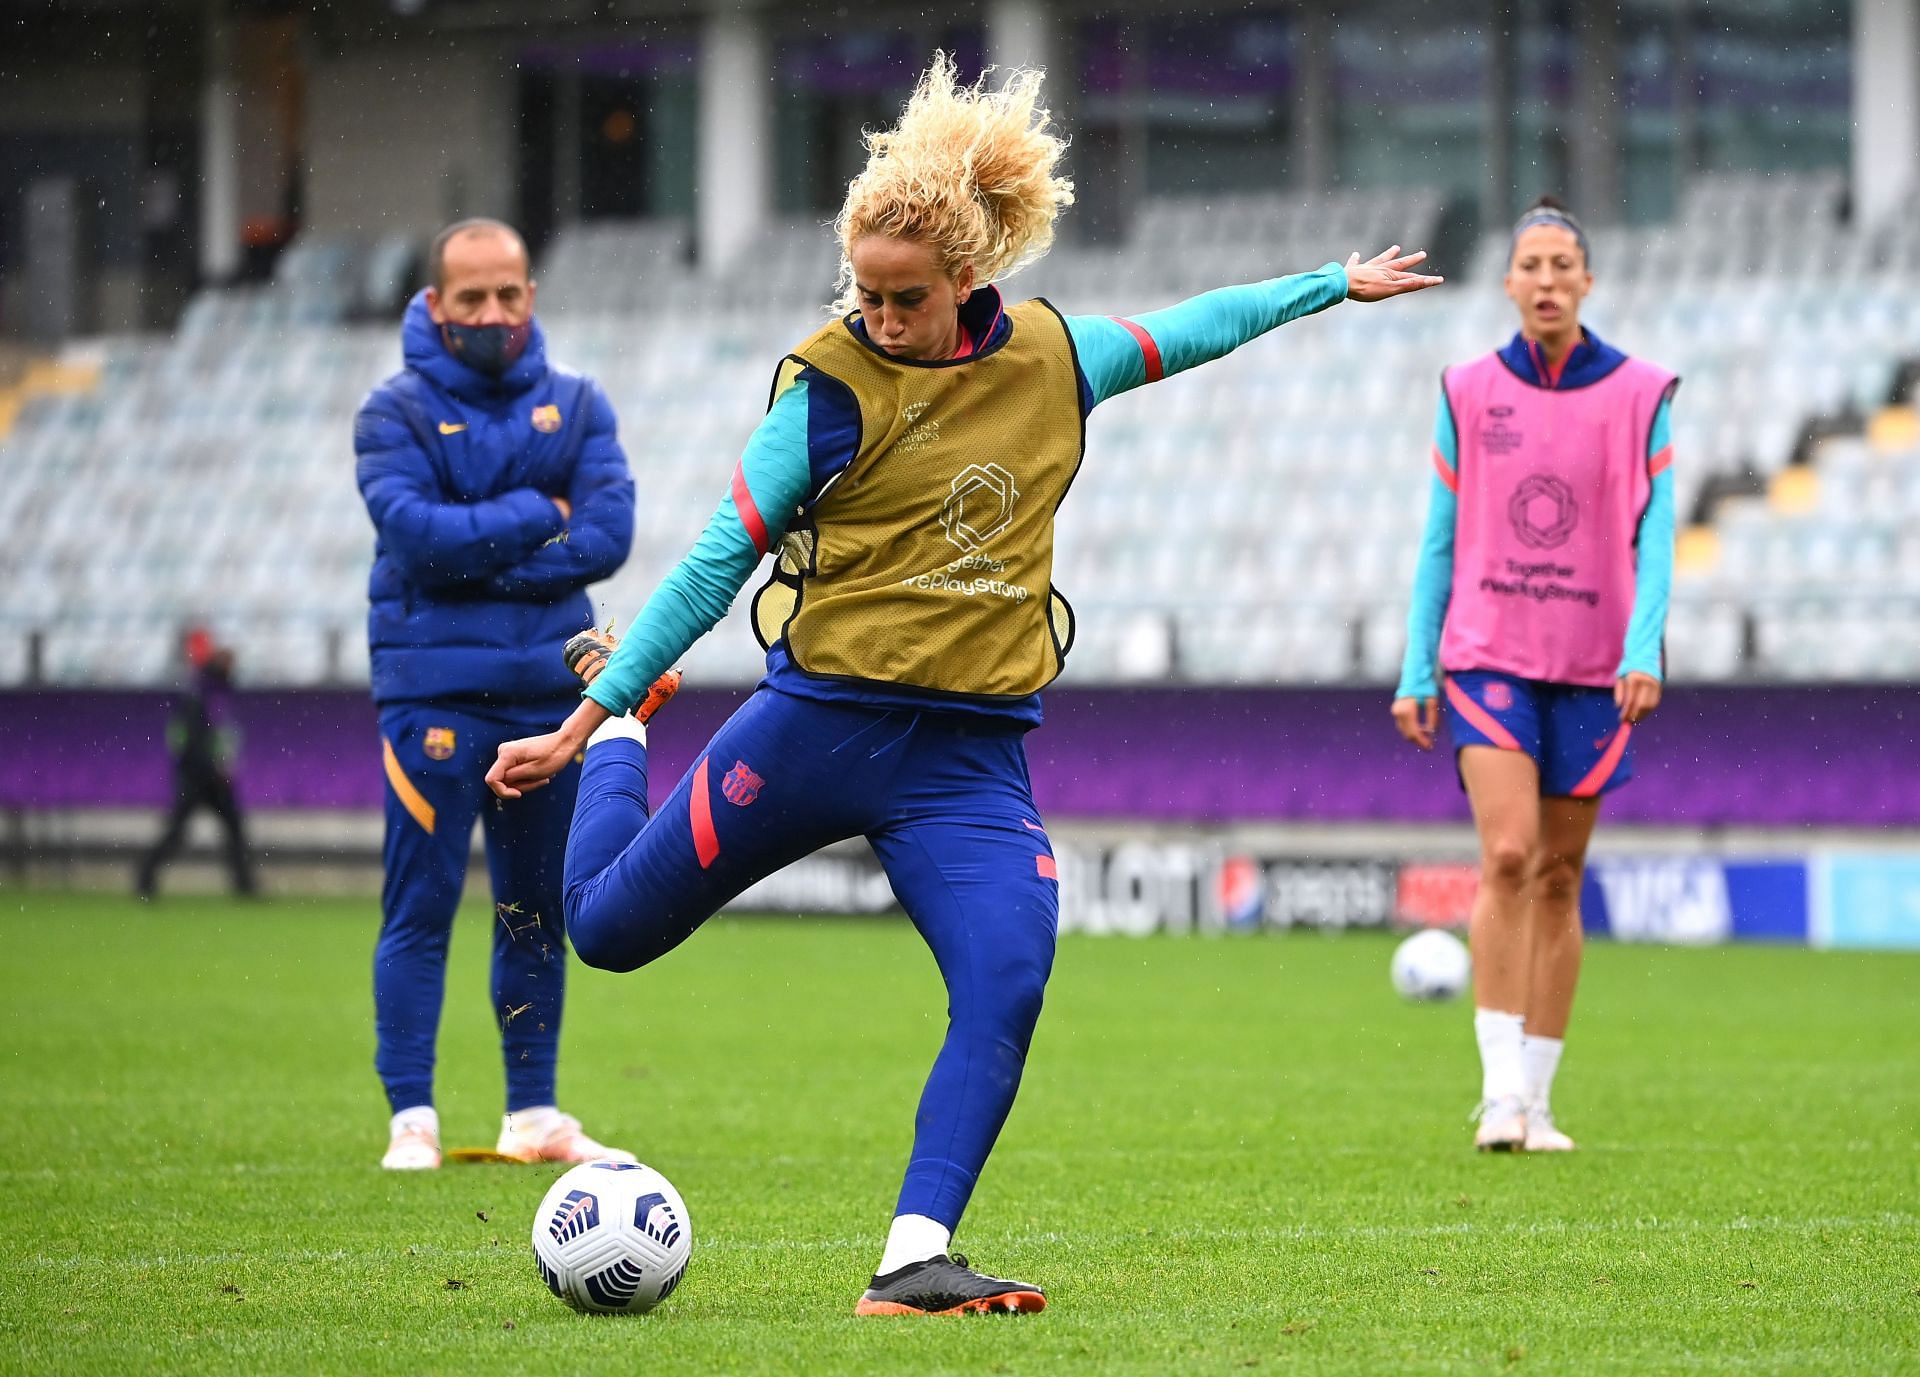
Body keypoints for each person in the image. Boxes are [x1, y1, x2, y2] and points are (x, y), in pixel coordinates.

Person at [489, 55, 1440, 1314]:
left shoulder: (1053, 355)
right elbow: (720, 557)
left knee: (1008, 978)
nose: (882, 319)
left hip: (970, 759)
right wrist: (591, 724)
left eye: (906, 301)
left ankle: (912, 1257)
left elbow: (1193, 325)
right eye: (867, 297)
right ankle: (632, 741)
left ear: (969, 279)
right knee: (603, 935)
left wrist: (1333, 284)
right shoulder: (826, 393)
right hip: (818, 724)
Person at [354, 217, 657, 1172]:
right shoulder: (391, 413)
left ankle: (533, 1112)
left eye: (509, 294)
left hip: (548, 701)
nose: (493, 313)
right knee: (423, 903)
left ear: (532, 296)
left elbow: (607, 535)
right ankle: (413, 1116)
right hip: (433, 697)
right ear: (435, 304)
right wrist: (538, 514)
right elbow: (416, 541)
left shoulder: (577, 404)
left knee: (536, 909)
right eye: (472, 297)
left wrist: (475, 552)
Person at [1391, 197, 1678, 1154]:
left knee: (1560, 875)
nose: (1547, 280)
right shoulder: (1469, 389)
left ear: (1587, 281)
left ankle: (1540, 1101)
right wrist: (1414, 665)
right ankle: (1500, 1093)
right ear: (1508, 282)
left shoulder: (1642, 391)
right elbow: (1437, 538)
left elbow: (1659, 535)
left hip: (1596, 663)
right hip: (1486, 653)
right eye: (1531, 264)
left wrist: (1645, 648)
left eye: (1564, 265)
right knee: (1508, 855)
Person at [135, 626, 258, 900]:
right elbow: (194, 739)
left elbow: (211, 735)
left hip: (210, 776)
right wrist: (212, 765)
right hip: (197, 776)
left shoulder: (209, 692)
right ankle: (145, 877)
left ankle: (244, 885)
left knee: (231, 828)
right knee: (184, 830)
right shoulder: (201, 694)